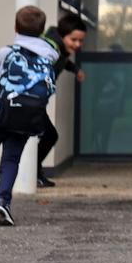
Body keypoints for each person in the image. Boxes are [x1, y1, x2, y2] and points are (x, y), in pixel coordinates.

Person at [0, 6, 59, 227]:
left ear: (16, 27)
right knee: (11, 159)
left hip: (1, 113)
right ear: (42, 30)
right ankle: (3, 202)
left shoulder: (6, 52)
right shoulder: (50, 55)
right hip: (29, 116)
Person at [36, 13, 87, 188]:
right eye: (74, 40)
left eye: (80, 41)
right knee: (49, 135)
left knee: (47, 136)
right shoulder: (49, 49)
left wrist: (75, 69)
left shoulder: (59, 48)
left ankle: (34, 173)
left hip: (37, 102)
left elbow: (64, 62)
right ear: (62, 35)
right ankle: (31, 173)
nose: (77, 45)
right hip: (31, 102)